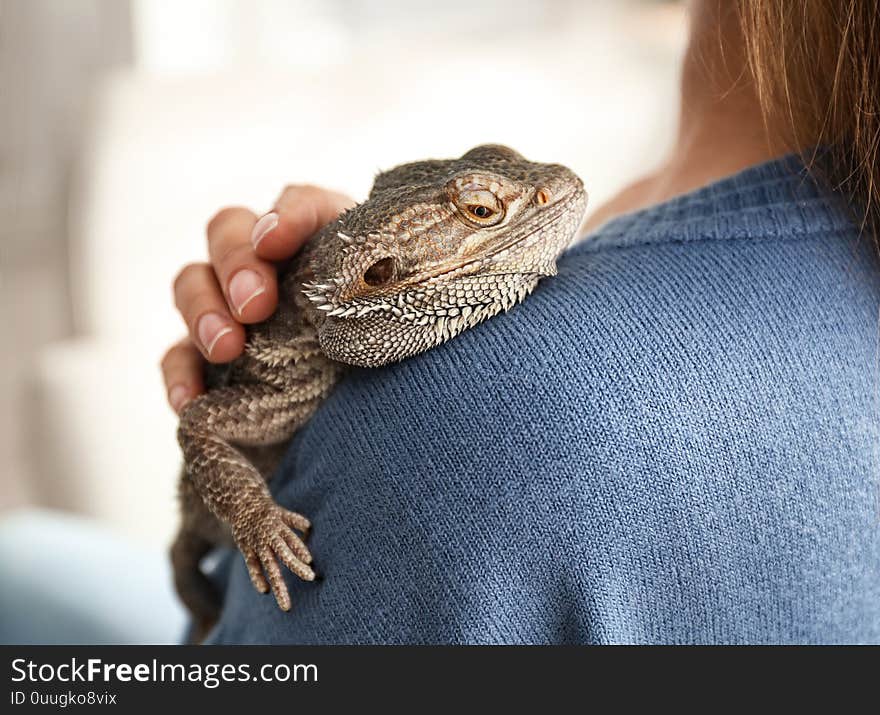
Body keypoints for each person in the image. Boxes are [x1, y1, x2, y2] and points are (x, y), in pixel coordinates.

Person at [161, 0, 880, 644]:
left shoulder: (437, 431)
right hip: (215, 536)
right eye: (482, 209)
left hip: (234, 588)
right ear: (379, 275)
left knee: (42, 564)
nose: (548, 191)